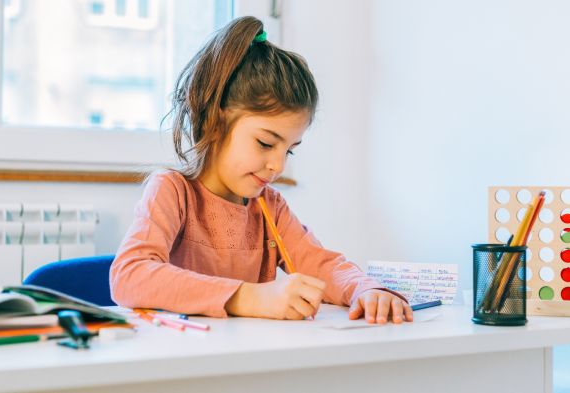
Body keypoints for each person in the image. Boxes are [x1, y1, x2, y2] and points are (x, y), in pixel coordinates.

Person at [110, 16, 413, 324]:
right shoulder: (173, 191)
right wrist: (249, 296)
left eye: (290, 149)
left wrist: (365, 289)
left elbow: (321, 265)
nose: (278, 166)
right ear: (217, 121)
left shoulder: (269, 206)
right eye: (266, 143)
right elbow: (130, 276)